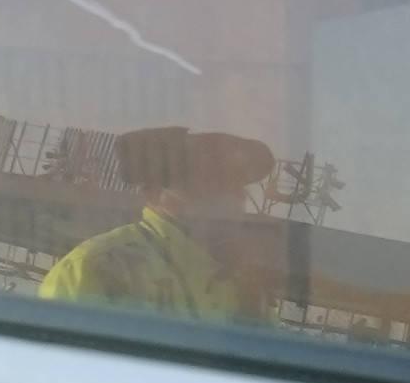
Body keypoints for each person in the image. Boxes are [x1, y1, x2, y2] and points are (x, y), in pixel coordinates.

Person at [38, 124, 270, 322]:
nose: (235, 197)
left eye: (236, 183)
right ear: (156, 191)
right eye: (212, 181)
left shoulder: (242, 283)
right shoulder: (94, 268)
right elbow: (61, 369)